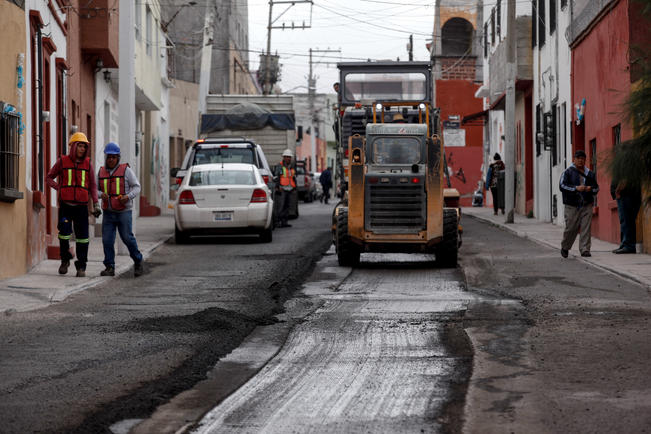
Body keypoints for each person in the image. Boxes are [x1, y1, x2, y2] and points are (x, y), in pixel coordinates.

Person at [46, 132, 101, 277]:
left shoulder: (88, 164)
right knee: (64, 234)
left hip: (82, 207)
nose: (82, 149)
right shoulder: (62, 162)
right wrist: (60, 188)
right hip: (66, 206)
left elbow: (93, 186)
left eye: (84, 146)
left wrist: (96, 203)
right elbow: (49, 177)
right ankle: (65, 261)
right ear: (73, 146)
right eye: (80, 146)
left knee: (83, 237)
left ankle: (81, 267)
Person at [97, 142, 144, 277]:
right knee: (107, 240)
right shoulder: (100, 172)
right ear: (106, 157)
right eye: (109, 157)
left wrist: (128, 197)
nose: (111, 159)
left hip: (124, 211)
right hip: (108, 211)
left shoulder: (126, 171)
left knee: (127, 238)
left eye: (114, 157)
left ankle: (138, 261)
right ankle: (109, 267)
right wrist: (101, 195)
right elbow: (94, 190)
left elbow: (137, 187)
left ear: (118, 158)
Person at [559, 150, 600, 258]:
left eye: (583, 158)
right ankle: (565, 247)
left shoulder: (590, 174)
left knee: (586, 227)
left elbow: (596, 188)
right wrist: (575, 188)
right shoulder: (567, 172)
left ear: (585, 160)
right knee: (571, 227)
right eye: (578, 158)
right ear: (574, 159)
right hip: (572, 205)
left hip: (587, 204)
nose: (581, 160)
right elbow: (562, 186)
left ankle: (585, 249)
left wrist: (590, 189)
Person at [610, 178, 641, 254]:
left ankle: (628, 246)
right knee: (626, 221)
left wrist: (617, 190)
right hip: (625, 195)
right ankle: (624, 244)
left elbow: (624, 178)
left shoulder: (626, 167)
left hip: (625, 195)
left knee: (626, 221)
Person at [275, 149, 296, 228]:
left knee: (287, 206)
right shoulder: (280, 165)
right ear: (283, 157)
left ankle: (284, 222)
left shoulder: (291, 166)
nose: (288, 158)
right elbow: (277, 177)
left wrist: (294, 187)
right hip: (282, 189)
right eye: (286, 157)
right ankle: (278, 222)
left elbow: (293, 178)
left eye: (289, 157)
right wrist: (278, 187)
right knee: (280, 206)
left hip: (290, 189)